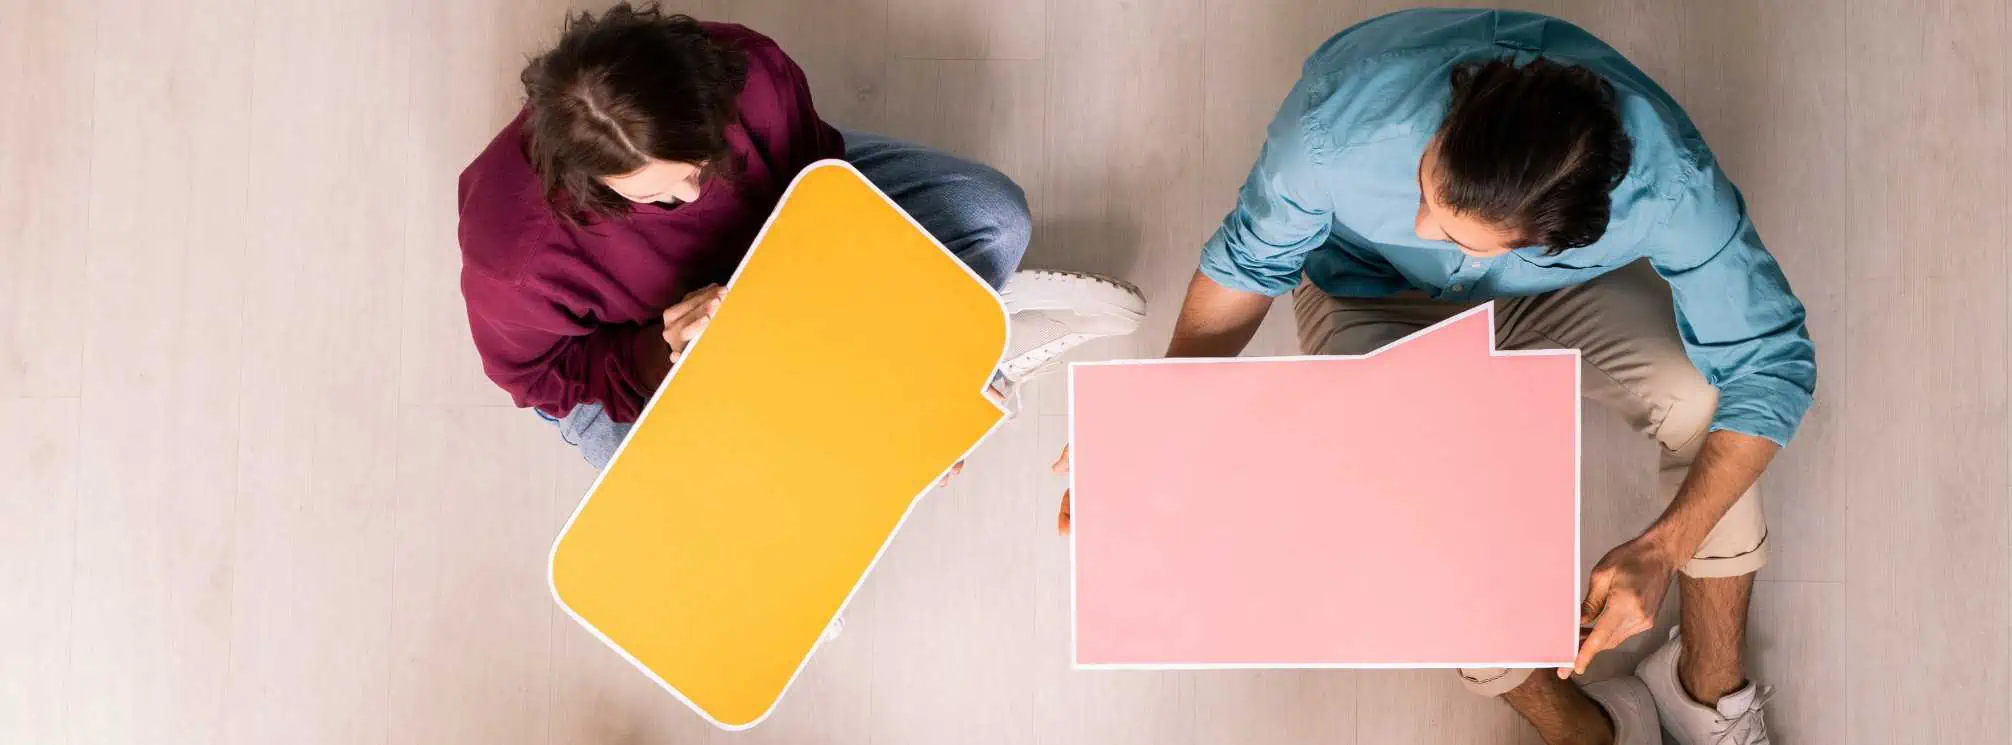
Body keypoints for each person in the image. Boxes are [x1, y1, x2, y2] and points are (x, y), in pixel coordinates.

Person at [1057, 9, 1808, 745]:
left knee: (1709, 399)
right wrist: (1153, 431)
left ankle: (1705, 690)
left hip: (1543, 298)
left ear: (1570, 231)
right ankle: (1586, 730)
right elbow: (1247, 268)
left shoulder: (1670, 184)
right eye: (1426, 190)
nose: (1422, 230)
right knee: (1421, 529)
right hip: (1366, 292)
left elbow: (1770, 365)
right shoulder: (1332, 131)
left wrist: (1664, 547)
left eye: (1451, 231)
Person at [457, 3, 1145, 470]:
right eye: (661, 194)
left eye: (703, 167)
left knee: (996, 217)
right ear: (593, 184)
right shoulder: (514, 254)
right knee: (688, 502)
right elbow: (540, 377)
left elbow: (822, 179)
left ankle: (939, 368)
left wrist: (821, 328)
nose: (694, 196)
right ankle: (923, 380)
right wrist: (655, 352)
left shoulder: (748, 68)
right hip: (640, 354)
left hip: (785, 255)